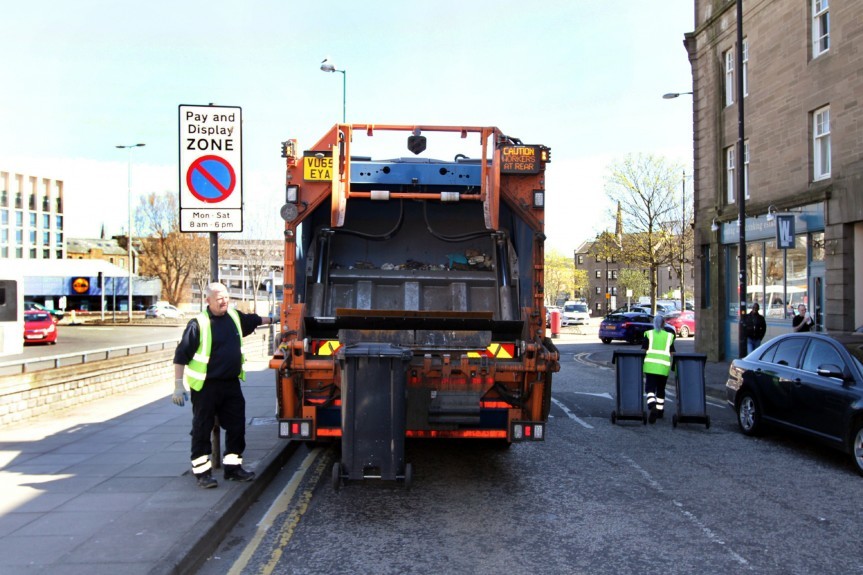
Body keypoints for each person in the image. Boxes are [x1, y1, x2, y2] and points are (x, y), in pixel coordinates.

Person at [172, 282, 276, 489]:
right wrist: (178, 385)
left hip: (230, 385)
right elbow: (181, 355)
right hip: (205, 387)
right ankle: (202, 473)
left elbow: (255, 320)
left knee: (237, 426)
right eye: (219, 298)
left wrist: (277, 319)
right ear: (208, 300)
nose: (224, 301)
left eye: (226, 297)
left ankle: (233, 468)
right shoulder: (199, 324)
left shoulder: (234, 317)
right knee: (202, 428)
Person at [642, 314, 676, 424]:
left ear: (654, 323)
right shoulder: (669, 336)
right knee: (661, 389)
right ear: (663, 324)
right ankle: (660, 411)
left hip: (651, 367)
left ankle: (652, 406)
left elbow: (643, 351)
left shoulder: (649, 334)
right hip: (663, 368)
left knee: (650, 389)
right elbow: (673, 352)